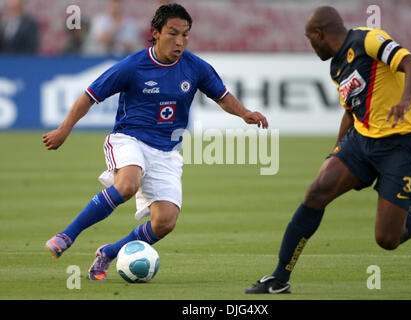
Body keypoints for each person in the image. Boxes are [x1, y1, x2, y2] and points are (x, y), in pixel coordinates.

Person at [43, 3, 268, 281]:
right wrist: (64, 130)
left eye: (185, 34)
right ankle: (67, 235)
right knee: (126, 185)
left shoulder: (195, 67)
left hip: (166, 152)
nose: (180, 41)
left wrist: (245, 113)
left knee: (164, 223)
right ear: (156, 33)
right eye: (173, 33)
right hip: (129, 139)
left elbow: (222, 96)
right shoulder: (133, 65)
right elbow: (91, 94)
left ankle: (109, 252)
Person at [245, 6, 411, 294]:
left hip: (401, 145)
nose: (311, 46)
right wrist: (336, 151)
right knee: (316, 192)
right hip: (362, 141)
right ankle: (279, 278)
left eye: (309, 39)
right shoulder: (337, 67)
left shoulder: (369, 40)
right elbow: (351, 113)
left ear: (319, 34)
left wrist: (406, 101)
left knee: (387, 238)